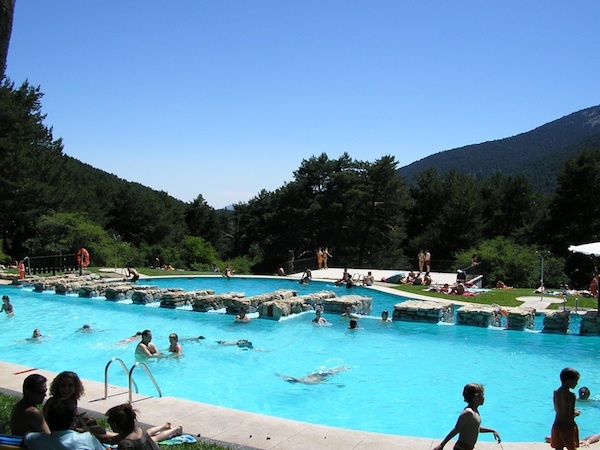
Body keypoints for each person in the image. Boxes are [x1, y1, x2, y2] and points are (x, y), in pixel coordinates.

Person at [433, 383, 500, 450]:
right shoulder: (468, 413)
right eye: (483, 395)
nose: (484, 397)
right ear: (476, 397)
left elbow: (475, 428)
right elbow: (456, 429)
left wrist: (492, 430)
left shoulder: (475, 411)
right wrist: (442, 444)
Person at [23, 398, 105, 450]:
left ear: (48, 420)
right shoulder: (87, 439)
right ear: (74, 422)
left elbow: (26, 437)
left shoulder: (39, 440)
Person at [550, 367, 581, 450]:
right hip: (568, 426)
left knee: (558, 447)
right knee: (571, 447)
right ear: (569, 381)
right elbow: (570, 414)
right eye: (575, 381)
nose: (576, 383)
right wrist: (576, 412)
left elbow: (556, 408)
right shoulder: (572, 396)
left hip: (557, 424)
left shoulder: (556, 392)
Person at [275, 366, 350, 385]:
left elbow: (296, 379)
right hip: (315, 376)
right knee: (330, 372)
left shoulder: (305, 381)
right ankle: (343, 368)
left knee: (330, 372)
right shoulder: (304, 381)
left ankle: (343, 368)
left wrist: (281, 376)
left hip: (317, 377)